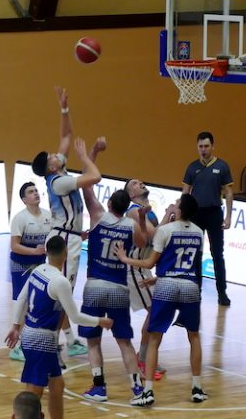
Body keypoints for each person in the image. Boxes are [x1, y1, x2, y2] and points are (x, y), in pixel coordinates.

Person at [114, 194, 209, 407]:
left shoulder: (165, 231)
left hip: (167, 287)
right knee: (194, 336)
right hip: (190, 286)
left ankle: (148, 391)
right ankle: (197, 388)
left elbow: (149, 263)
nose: (173, 205)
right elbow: (189, 266)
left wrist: (125, 259)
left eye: (177, 203)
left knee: (155, 338)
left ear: (180, 210)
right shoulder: (198, 232)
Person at [5, 236, 113, 419]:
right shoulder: (60, 282)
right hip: (41, 339)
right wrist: (100, 321)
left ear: (47, 252)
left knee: (57, 385)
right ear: (66, 253)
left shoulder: (38, 270)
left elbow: (21, 298)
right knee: (34, 391)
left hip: (31, 333)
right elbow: (75, 316)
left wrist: (16, 326)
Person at [31, 86, 101, 357]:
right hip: (64, 238)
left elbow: (66, 135)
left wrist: (64, 107)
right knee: (62, 292)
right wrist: (85, 157)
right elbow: (95, 177)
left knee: (62, 291)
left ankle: (67, 340)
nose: (56, 154)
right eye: (52, 157)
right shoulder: (58, 182)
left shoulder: (56, 170)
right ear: (51, 167)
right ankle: (55, 340)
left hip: (68, 234)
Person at [78, 166, 147, 403]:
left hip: (95, 286)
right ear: (127, 207)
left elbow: (86, 187)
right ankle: (137, 389)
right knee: (124, 341)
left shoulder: (98, 216)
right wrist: (141, 218)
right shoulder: (131, 225)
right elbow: (143, 242)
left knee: (93, 341)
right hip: (119, 288)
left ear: (108, 204)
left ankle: (99, 387)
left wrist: (90, 157)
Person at [123, 178, 173, 380]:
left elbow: (158, 234)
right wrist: (169, 214)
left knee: (155, 312)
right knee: (155, 311)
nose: (140, 183)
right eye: (135, 183)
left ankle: (143, 356)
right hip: (134, 268)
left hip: (143, 268)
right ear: (131, 194)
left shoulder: (146, 210)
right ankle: (143, 358)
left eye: (140, 181)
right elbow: (154, 235)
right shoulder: (134, 211)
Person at [182, 131, 233, 306]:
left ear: (213, 146)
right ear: (197, 147)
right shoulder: (192, 167)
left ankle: (222, 292)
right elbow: (185, 193)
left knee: (217, 254)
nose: (203, 149)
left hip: (214, 213)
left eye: (206, 146)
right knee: (196, 253)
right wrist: (183, 215)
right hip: (196, 215)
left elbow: (228, 192)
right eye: (200, 146)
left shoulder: (222, 166)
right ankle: (196, 291)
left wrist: (228, 217)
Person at [8, 182, 52, 361]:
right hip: (21, 266)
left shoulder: (48, 216)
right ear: (24, 199)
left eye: (36, 191)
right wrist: (34, 251)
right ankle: (18, 346)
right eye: (31, 192)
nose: (35, 193)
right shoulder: (20, 218)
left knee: (37, 305)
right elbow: (14, 246)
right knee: (24, 304)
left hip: (40, 265)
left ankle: (31, 341)